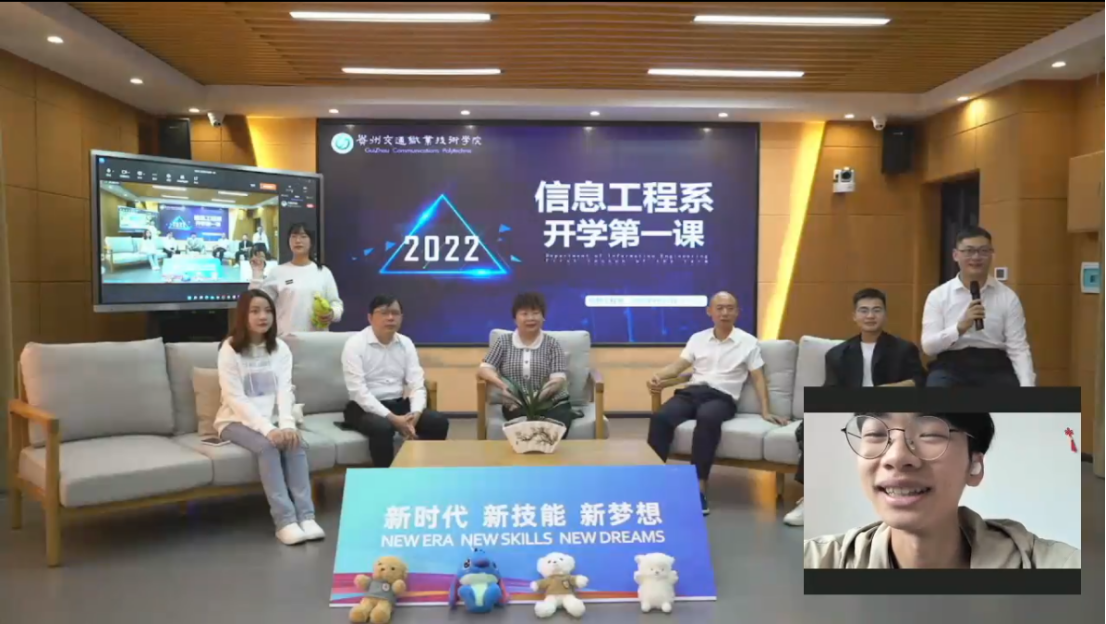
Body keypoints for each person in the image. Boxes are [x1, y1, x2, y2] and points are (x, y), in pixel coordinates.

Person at [804, 412, 1080, 569]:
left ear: (974, 466)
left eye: (930, 435)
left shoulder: (1056, 565)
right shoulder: (816, 562)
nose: (896, 457)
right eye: (876, 434)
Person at [785, 289, 929, 528]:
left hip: (889, 412)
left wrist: (884, 390)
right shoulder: (838, 354)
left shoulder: (903, 349)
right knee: (814, 427)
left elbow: (920, 382)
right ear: (854, 316)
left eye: (876, 310)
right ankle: (811, 500)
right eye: (864, 310)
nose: (870, 316)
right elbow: (830, 390)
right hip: (849, 410)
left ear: (885, 315)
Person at [646, 292, 783, 516]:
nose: (725, 312)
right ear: (709, 311)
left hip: (722, 397)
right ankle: (652, 482)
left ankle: (698, 488)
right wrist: (658, 376)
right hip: (692, 392)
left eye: (730, 308)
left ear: (737, 312)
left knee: (707, 419)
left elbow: (758, 378)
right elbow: (678, 367)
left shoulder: (747, 342)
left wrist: (766, 411)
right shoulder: (697, 338)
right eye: (719, 308)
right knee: (661, 417)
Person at [213, 289, 324, 546]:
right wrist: (268, 429)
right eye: (255, 311)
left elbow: (285, 390)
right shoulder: (229, 349)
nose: (263, 316)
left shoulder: (280, 349)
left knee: (294, 443)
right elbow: (234, 398)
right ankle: (284, 521)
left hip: (273, 419)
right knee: (268, 446)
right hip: (234, 420)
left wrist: (286, 425)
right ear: (243, 315)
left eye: (267, 311)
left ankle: (306, 516)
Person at [340, 295, 450, 468]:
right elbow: (358, 392)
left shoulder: (406, 343)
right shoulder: (355, 345)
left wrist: (414, 416)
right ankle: (387, 479)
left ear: (401, 317)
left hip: (398, 404)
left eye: (395, 313)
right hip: (363, 408)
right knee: (383, 427)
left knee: (438, 421)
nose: (390, 318)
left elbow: (417, 385)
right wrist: (393, 419)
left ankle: (424, 472)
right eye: (384, 313)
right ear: (370, 317)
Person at [921, 226, 1035, 387]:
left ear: (992, 254)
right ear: (955, 255)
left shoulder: (1007, 297)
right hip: (951, 366)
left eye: (983, 251)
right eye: (969, 251)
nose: (976, 257)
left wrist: (1028, 385)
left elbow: (1018, 348)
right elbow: (929, 347)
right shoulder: (938, 296)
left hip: (995, 367)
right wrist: (959, 328)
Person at [477, 292, 577, 430]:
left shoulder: (552, 344)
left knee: (557, 423)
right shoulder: (504, 342)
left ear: (543, 317)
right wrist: (502, 386)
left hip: (551, 402)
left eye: (535, 313)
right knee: (522, 420)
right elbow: (484, 369)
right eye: (524, 314)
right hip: (516, 404)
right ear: (515, 319)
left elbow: (558, 379)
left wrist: (536, 399)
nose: (531, 318)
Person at [249, 223, 343, 335]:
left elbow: (336, 304)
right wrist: (257, 273)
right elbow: (257, 301)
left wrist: (332, 314)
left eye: (303, 236)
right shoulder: (278, 272)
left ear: (311, 241)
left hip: (317, 339)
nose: (298, 241)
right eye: (293, 236)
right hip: (286, 338)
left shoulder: (323, 272)